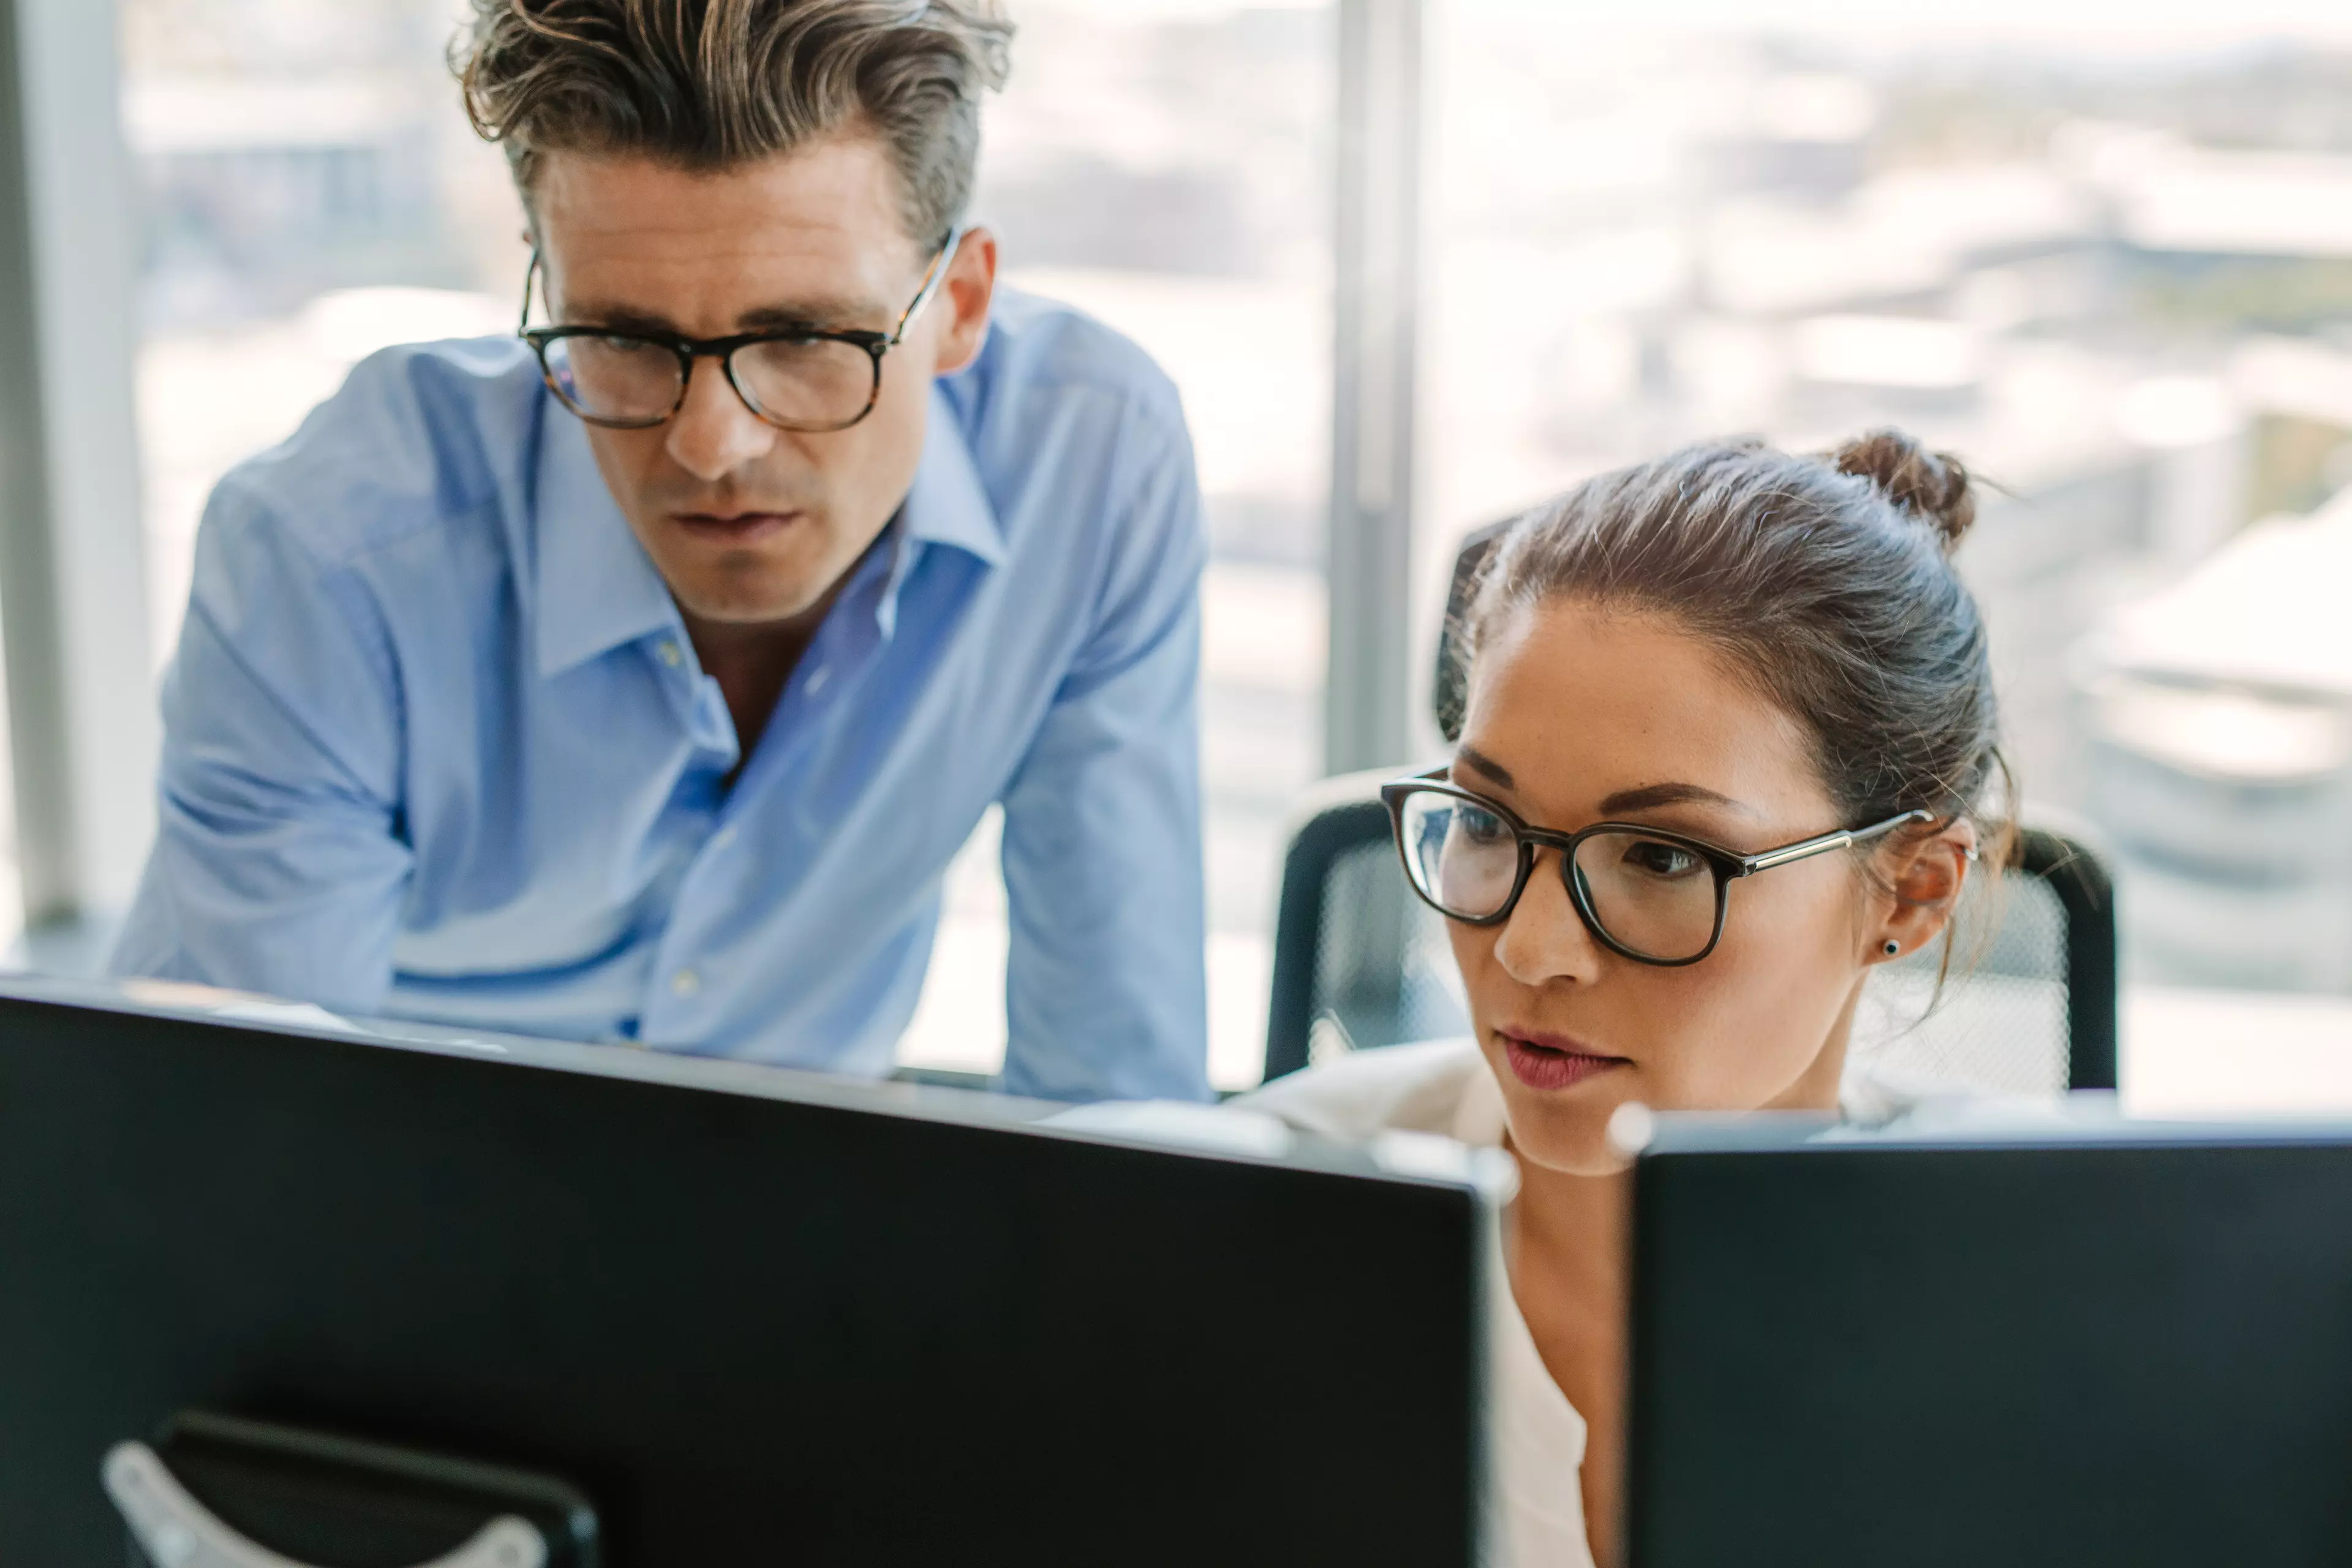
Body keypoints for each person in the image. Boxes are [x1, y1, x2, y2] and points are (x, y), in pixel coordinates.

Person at [111, 0, 1211, 1102]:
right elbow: (241, 1142)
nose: (710, 445)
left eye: (802, 338)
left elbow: (1110, 1090)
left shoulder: (1089, 463)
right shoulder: (332, 553)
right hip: (404, 1221)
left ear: (960, 303)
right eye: (625, 339)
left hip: (816, 1219)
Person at [1240, 430, 2003, 1566]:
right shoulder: (1246, 1224)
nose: (1532, 950)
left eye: (1662, 859)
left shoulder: (2036, 1310)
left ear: (1914, 890)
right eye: (1488, 826)